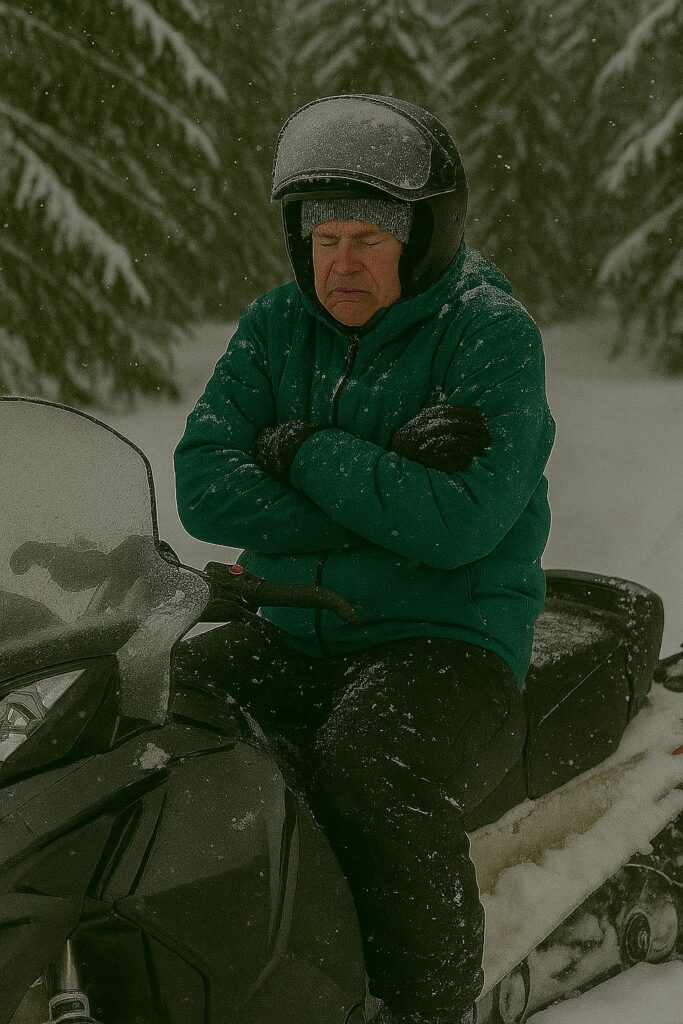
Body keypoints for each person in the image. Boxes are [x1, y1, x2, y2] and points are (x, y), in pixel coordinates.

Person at [174, 94, 555, 1024]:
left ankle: (429, 1005)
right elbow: (201, 486)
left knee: (364, 771)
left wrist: (303, 448)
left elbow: (460, 528)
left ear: (421, 238)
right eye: (323, 237)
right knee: (159, 720)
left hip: (445, 641)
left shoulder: (488, 334)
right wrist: (390, 493)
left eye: (368, 240)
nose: (339, 264)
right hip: (293, 626)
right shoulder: (274, 327)